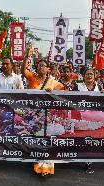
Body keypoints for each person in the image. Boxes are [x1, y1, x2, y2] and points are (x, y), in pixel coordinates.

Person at [21, 48, 64, 176]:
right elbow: (23, 71)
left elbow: (61, 98)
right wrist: (26, 57)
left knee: (47, 140)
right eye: (39, 65)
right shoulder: (32, 78)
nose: (40, 67)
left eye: (43, 66)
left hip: (49, 117)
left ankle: (47, 166)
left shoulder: (55, 83)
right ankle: (36, 161)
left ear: (48, 69)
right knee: (36, 138)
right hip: (34, 115)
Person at [73, 67, 104, 174]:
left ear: (95, 76)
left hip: (94, 117)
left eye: (91, 74)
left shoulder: (99, 87)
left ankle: (88, 162)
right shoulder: (77, 86)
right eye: (87, 74)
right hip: (80, 117)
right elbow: (68, 98)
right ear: (83, 76)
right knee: (81, 138)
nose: (89, 76)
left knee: (91, 139)